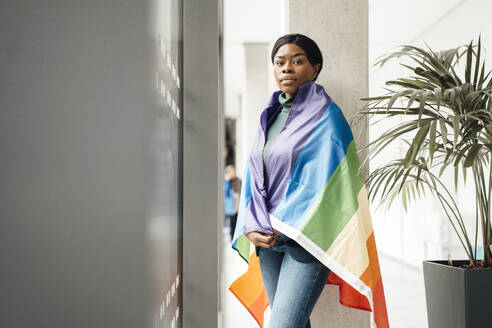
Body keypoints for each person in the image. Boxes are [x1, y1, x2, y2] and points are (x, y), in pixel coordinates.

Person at [229, 33, 388, 328]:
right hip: (267, 241)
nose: (286, 68)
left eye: (297, 61)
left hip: (306, 242)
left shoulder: (327, 117)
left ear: (315, 68)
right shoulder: (269, 116)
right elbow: (255, 178)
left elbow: (335, 186)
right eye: (279, 62)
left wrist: (291, 222)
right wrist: (251, 227)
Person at [223, 164, 241, 241]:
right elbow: (225, 193)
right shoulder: (227, 182)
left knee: (237, 223)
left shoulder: (238, 180)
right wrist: (227, 180)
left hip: (238, 205)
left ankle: (235, 238)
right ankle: (231, 238)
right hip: (231, 207)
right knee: (231, 223)